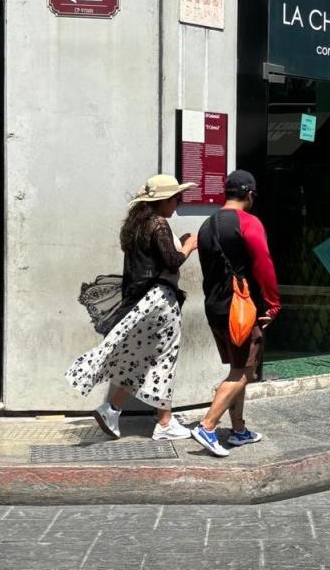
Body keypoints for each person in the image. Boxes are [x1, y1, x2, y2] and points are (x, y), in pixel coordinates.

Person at [66, 175, 198, 441]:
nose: (178, 204)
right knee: (164, 357)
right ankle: (165, 422)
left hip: (141, 301)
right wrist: (188, 246)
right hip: (161, 301)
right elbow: (172, 262)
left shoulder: (137, 226)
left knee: (139, 356)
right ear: (162, 201)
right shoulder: (159, 224)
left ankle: (112, 408)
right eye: (175, 198)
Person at [192, 170, 280, 457]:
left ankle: (239, 430)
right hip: (239, 309)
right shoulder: (249, 222)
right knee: (244, 371)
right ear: (250, 194)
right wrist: (273, 303)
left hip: (214, 306)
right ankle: (208, 425)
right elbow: (263, 263)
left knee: (238, 366)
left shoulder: (207, 225)